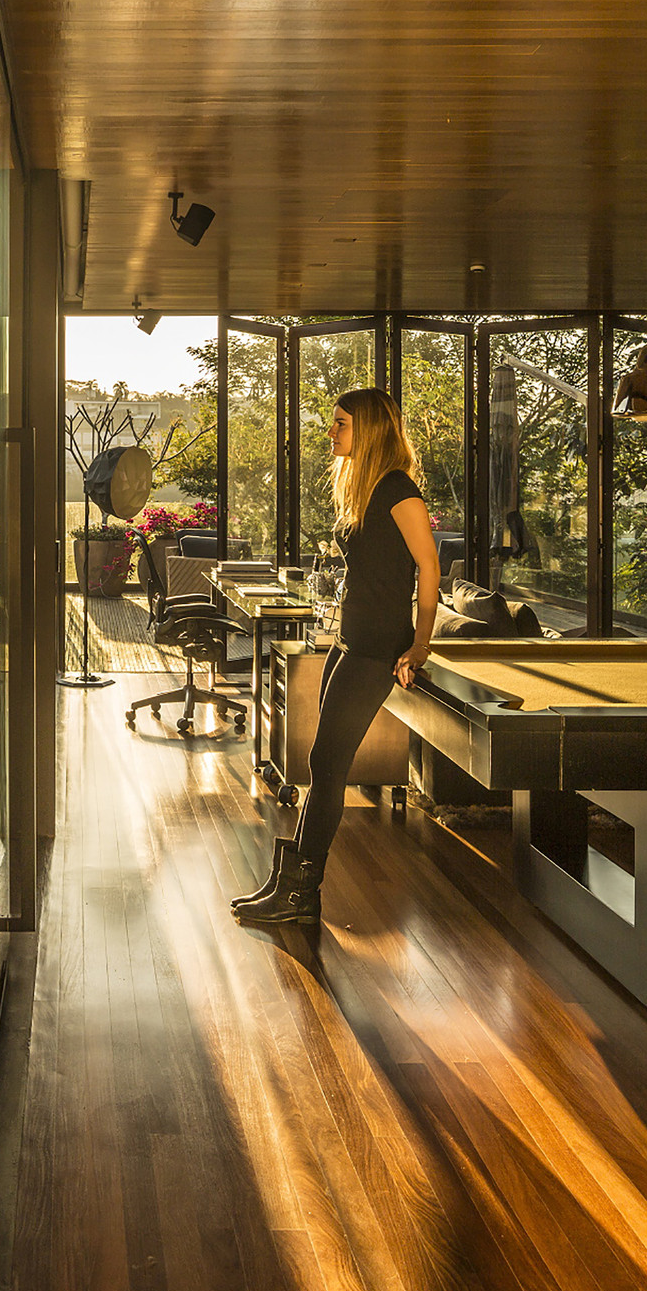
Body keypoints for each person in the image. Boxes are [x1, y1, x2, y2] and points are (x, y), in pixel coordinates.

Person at [233, 385, 440, 927]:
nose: (331, 431)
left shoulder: (400, 491)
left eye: (340, 423)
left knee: (327, 766)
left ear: (367, 429)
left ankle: (303, 894)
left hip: (375, 651)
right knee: (321, 766)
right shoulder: (367, 489)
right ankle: (290, 881)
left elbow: (430, 570)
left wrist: (418, 647)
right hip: (349, 643)